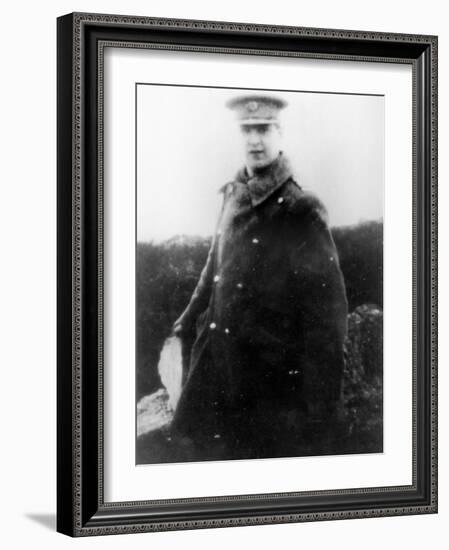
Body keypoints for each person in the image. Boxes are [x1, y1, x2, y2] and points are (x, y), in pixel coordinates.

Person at [170, 94, 348, 460]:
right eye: (247, 130)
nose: (254, 140)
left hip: (271, 379)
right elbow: (214, 265)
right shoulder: (233, 193)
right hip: (219, 364)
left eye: (263, 129)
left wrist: (320, 411)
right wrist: (186, 320)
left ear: (279, 132)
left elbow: (326, 319)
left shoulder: (300, 208)